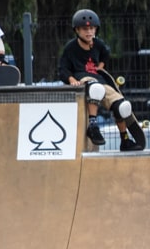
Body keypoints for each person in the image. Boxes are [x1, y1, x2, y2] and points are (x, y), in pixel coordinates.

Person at [56, 8, 142, 150]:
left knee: (122, 106)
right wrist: (72, 80)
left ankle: (125, 140)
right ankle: (93, 126)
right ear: (77, 30)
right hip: (83, 79)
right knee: (96, 88)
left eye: (92, 29)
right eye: (85, 29)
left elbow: (106, 55)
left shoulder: (99, 44)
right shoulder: (70, 48)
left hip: (99, 79)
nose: (89, 32)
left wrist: (100, 67)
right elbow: (63, 69)